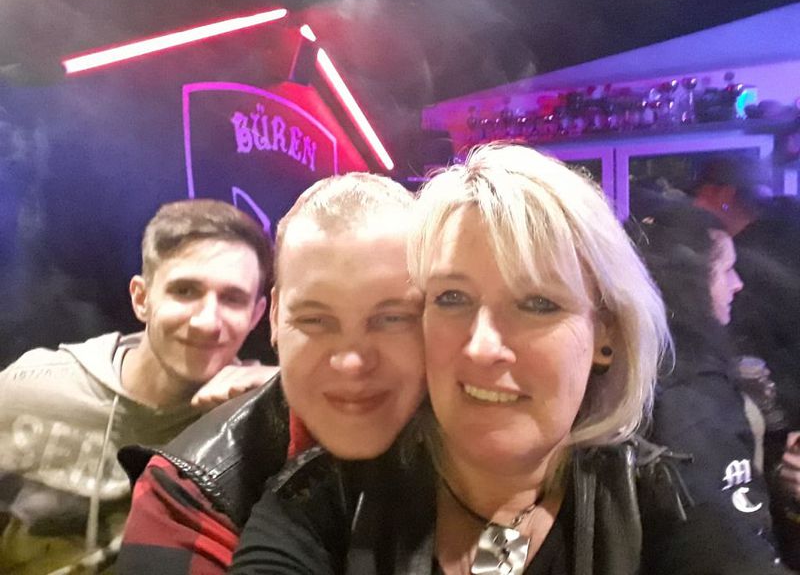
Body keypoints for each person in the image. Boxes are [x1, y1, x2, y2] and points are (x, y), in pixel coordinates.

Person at [231, 143, 790, 574]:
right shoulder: (330, 501)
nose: (482, 347)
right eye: (452, 297)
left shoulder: (661, 500)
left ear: (606, 333)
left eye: (538, 304)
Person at [115, 173, 426, 574]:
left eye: (393, 318)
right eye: (315, 320)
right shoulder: (185, 494)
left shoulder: (476, 435)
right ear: (275, 317)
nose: (351, 362)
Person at [0, 198, 277, 574]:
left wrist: (287, 389)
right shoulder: (33, 389)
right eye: (185, 291)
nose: (207, 322)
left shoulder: (260, 412)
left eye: (232, 299)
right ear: (142, 298)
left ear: (257, 315)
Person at [631, 203, 793, 569]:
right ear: (691, 283)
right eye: (726, 269)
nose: (738, 283)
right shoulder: (692, 394)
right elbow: (723, 551)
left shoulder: (644, 364)